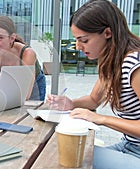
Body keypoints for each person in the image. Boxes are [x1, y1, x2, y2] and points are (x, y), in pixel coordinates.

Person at [47, 0, 140, 168]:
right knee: (68, 154)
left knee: (71, 160)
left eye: (84, 40)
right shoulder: (112, 62)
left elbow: (96, 112)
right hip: (129, 146)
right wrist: (71, 103)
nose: (78, 46)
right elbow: (93, 100)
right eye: (76, 39)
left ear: (107, 33)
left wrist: (101, 119)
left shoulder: (134, 63)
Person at [0, 15, 46, 101]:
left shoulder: (27, 53)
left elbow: (25, 95)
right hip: (6, 84)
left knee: (30, 111)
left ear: (12, 38)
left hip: (33, 86)